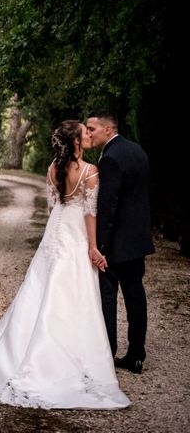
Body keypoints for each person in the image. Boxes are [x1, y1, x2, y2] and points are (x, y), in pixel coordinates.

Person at [0, 120, 130, 409]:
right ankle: (61, 361)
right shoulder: (90, 172)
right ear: (77, 142)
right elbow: (89, 214)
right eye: (84, 132)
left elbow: (52, 207)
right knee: (72, 292)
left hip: (55, 231)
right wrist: (93, 247)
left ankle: (21, 354)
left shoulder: (52, 168)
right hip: (75, 233)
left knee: (41, 289)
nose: (89, 134)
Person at [86, 111, 155, 374]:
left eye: (92, 129)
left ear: (107, 129)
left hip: (116, 244)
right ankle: (137, 355)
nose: (89, 133)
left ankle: (108, 352)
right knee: (136, 295)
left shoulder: (111, 158)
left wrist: (99, 246)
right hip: (137, 241)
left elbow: (108, 206)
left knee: (108, 296)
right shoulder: (138, 150)